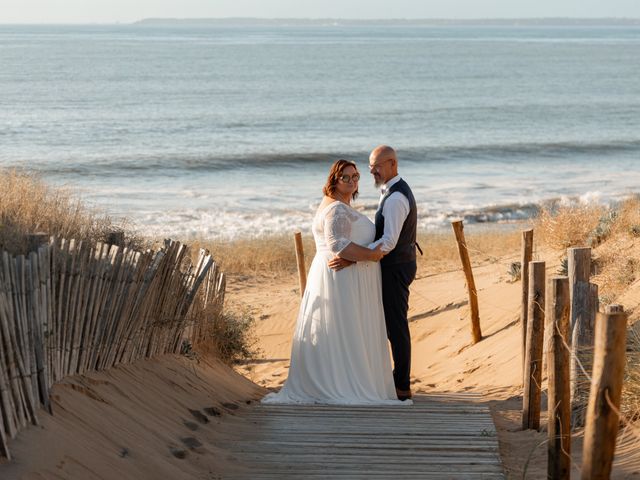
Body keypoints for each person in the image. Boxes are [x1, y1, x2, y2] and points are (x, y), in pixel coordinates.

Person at [262, 159, 408, 405]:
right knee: (345, 327)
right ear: (334, 180)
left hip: (343, 276)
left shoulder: (339, 205)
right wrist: (372, 256)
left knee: (344, 328)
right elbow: (338, 246)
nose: (352, 181)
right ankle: (342, 383)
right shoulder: (336, 209)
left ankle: (343, 379)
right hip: (342, 279)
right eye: (345, 177)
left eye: (355, 176)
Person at [330, 146, 418, 401]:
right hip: (397, 265)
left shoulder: (396, 198)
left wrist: (353, 258)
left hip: (395, 268)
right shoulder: (391, 190)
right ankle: (396, 380)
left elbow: (388, 242)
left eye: (376, 166)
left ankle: (401, 386)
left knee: (396, 327)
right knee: (394, 325)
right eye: (370, 166)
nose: (371, 171)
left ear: (392, 164)